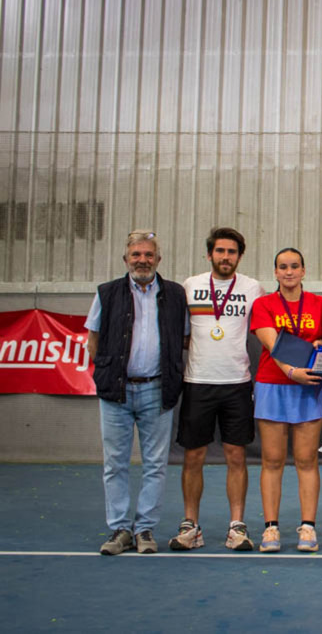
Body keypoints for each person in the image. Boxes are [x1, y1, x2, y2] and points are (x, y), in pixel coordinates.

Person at [86, 230, 188, 555]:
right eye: (136, 255)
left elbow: (184, 339)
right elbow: (93, 341)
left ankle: (144, 529)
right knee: (115, 463)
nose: (142, 260)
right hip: (116, 392)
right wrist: (109, 370)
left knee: (156, 464)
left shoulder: (175, 295)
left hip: (158, 390)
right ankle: (120, 529)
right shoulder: (106, 293)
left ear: (158, 260)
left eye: (148, 255)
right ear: (126, 259)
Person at [168, 227, 265, 552]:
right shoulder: (190, 286)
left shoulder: (253, 288)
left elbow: (268, 330)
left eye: (232, 252)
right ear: (210, 254)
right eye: (220, 251)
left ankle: (236, 526)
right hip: (197, 383)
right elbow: (180, 335)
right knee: (193, 456)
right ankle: (190, 525)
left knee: (236, 456)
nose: (226, 257)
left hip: (237, 384)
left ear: (240, 256)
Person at [250, 248, 322, 552]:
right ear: (275, 273)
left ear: (304, 271)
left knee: (306, 460)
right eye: (282, 267)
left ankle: (308, 528)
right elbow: (274, 346)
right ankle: (271, 529)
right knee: (272, 461)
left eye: (294, 266)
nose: (289, 272)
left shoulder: (321, 304)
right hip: (273, 385)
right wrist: (293, 370)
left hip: (310, 388)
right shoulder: (263, 305)